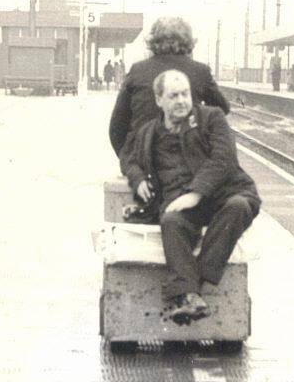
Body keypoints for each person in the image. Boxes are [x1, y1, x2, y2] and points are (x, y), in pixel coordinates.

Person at [119, 70, 261, 322]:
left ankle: (194, 288)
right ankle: (191, 298)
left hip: (223, 195)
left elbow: (223, 159)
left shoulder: (212, 118)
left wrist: (196, 193)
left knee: (239, 207)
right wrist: (137, 177)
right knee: (171, 221)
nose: (182, 101)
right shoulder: (148, 132)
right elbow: (127, 158)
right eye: (174, 96)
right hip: (180, 202)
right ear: (158, 100)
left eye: (185, 94)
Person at [109, 17, 230, 156]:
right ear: (189, 41)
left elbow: (117, 126)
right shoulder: (200, 71)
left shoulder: (137, 70)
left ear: (153, 41)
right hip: (187, 160)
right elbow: (223, 108)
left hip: (144, 160)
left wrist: (129, 162)